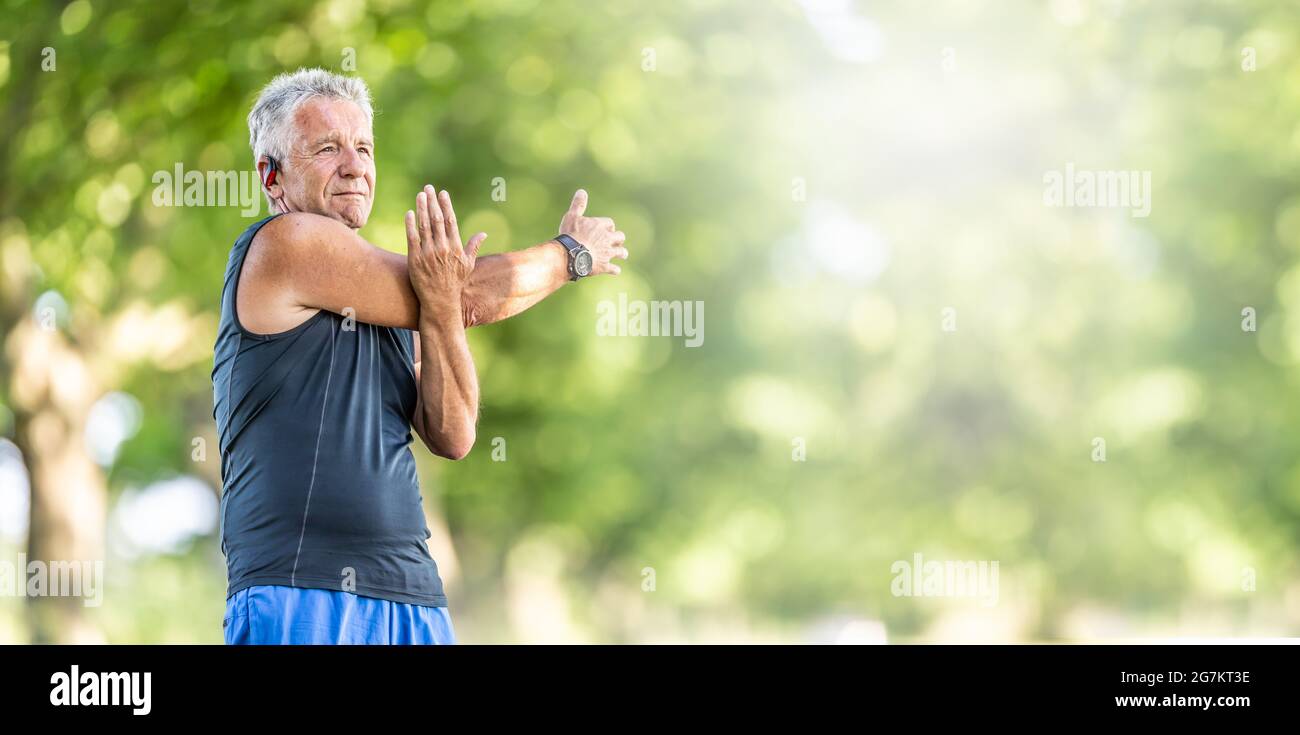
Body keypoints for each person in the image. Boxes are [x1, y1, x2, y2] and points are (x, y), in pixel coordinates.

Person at [213, 68, 628, 644]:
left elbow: (453, 435)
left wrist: (441, 310)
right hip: (300, 591)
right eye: (328, 148)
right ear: (272, 175)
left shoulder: (396, 301)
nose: (355, 165)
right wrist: (569, 254)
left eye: (363, 148)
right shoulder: (285, 244)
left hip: (412, 595)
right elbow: (470, 296)